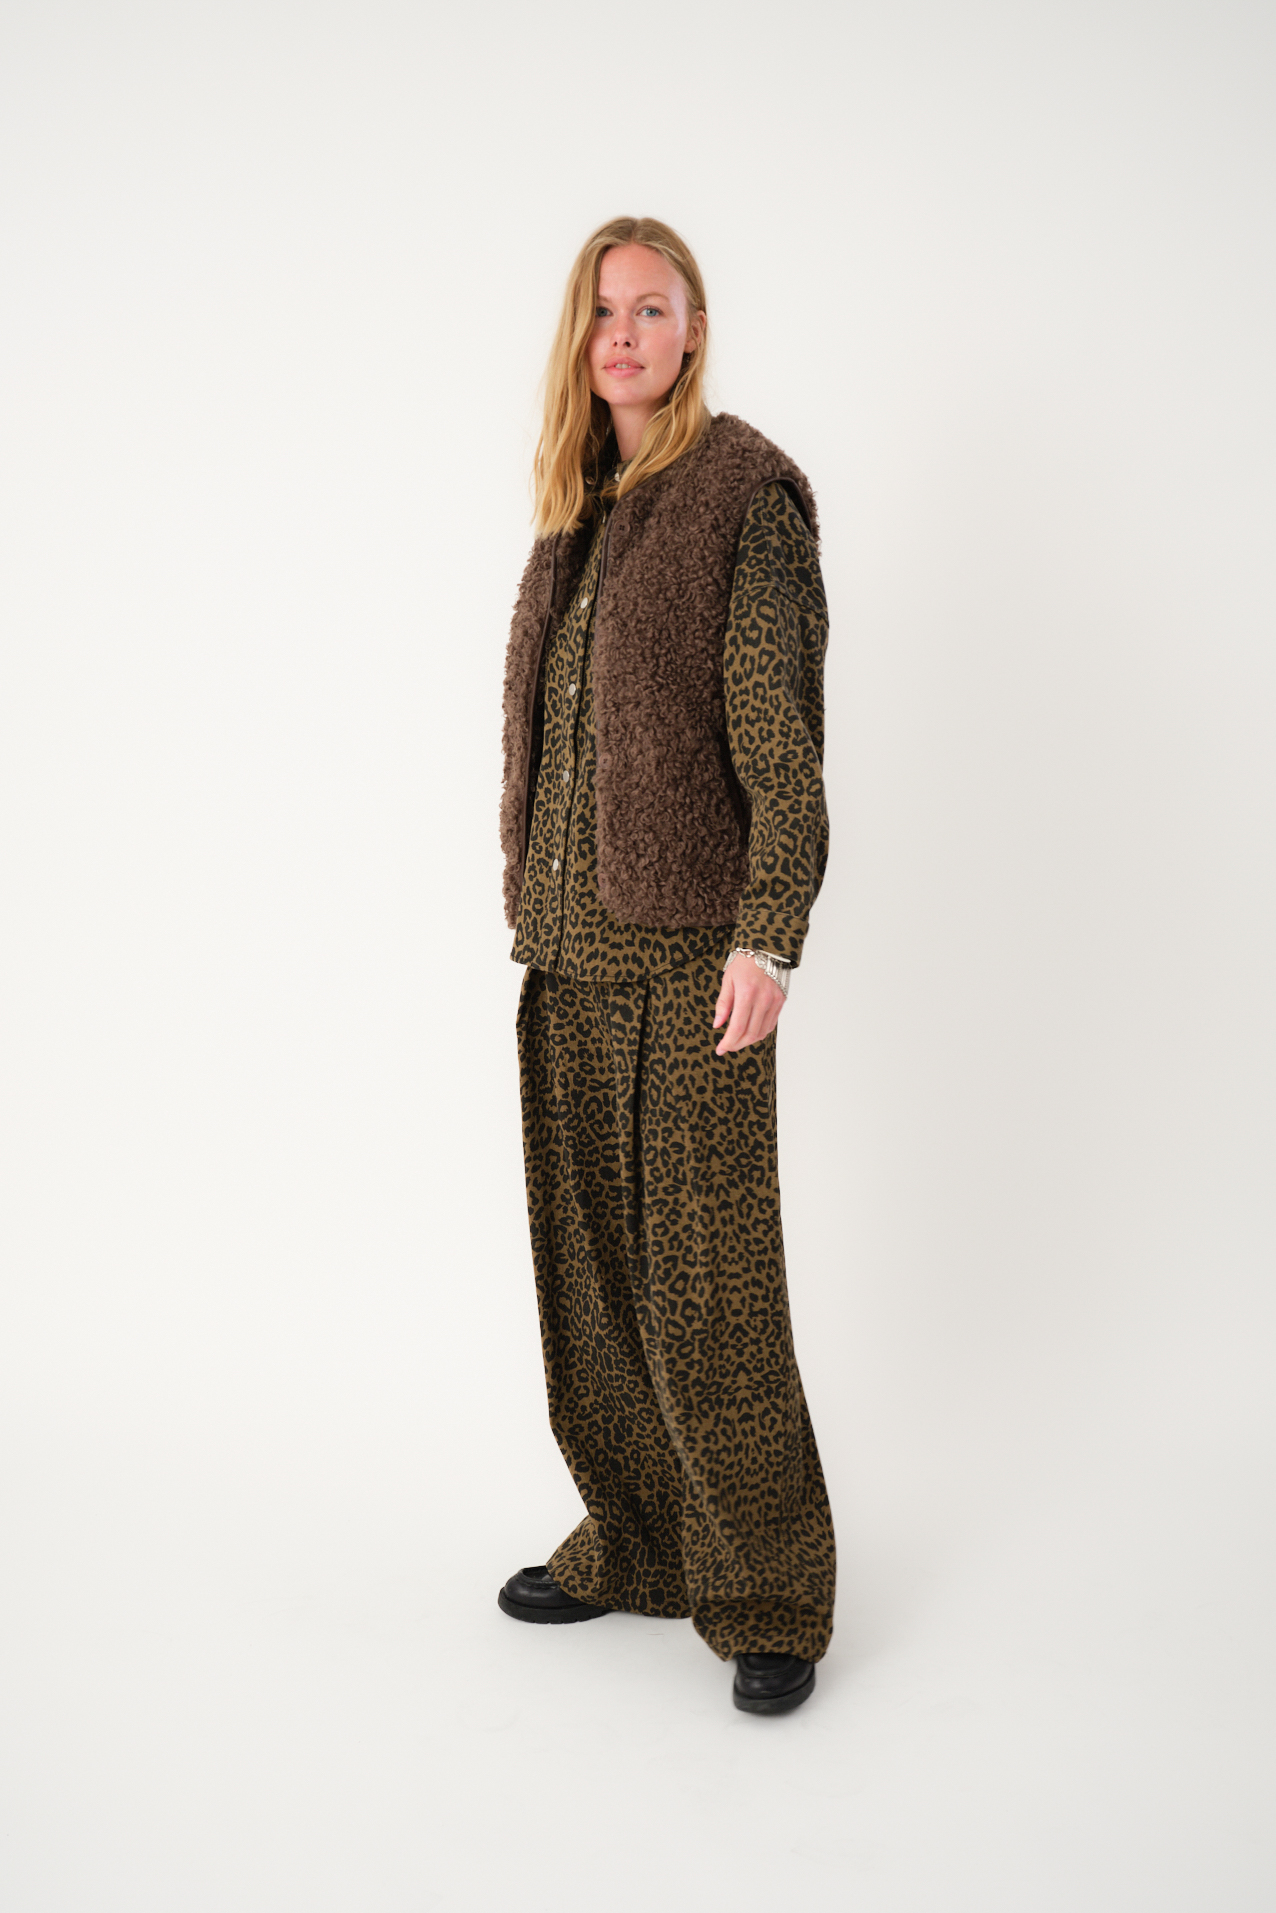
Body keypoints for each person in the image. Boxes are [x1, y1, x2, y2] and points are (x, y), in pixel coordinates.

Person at [497, 216, 835, 1715]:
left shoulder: (743, 496)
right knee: (592, 1282)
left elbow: (780, 739)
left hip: (696, 956)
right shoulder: (574, 506)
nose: (622, 334)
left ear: (693, 329)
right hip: (567, 953)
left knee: (712, 1292)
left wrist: (770, 932)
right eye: (601, 312)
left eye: (650, 308)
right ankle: (636, 1541)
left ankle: (769, 1590)